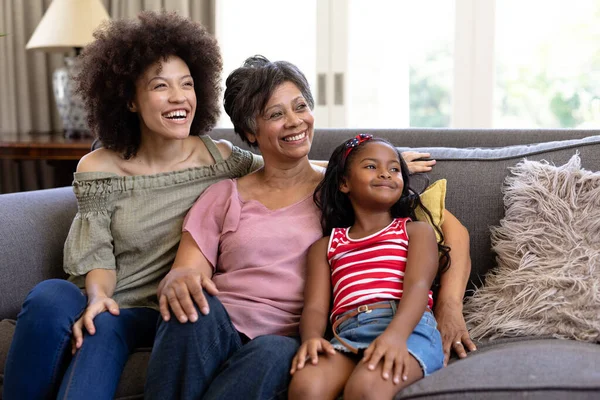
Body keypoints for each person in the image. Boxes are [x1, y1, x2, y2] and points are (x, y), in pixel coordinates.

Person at [146, 55, 474, 400]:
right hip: (218, 330)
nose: (294, 122)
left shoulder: (345, 190)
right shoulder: (223, 195)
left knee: (270, 351)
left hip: (286, 341)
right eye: (276, 114)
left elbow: (451, 232)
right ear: (248, 132)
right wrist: (178, 278)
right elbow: (188, 272)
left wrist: (449, 308)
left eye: (300, 107)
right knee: (189, 310)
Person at [2, 12, 263, 400]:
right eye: (161, 86)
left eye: (187, 84)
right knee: (51, 295)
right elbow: (97, 254)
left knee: (107, 323)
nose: (179, 98)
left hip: (165, 311)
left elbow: (288, 171)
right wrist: (98, 298)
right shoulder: (99, 167)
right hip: (107, 297)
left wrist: (366, 161)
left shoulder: (220, 159)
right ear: (129, 100)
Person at [288, 134, 448, 400]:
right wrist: (312, 340)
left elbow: (419, 287)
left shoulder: (415, 232)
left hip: (408, 328)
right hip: (347, 333)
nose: (385, 174)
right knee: (307, 386)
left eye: (394, 169)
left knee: (366, 388)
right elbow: (315, 306)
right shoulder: (325, 246)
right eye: (372, 166)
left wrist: (396, 336)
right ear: (344, 183)